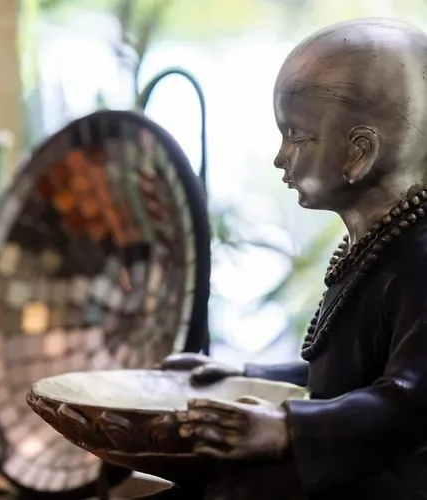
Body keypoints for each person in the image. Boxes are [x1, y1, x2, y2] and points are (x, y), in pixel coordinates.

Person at [150, 18, 427, 500]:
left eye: (297, 137)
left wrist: (287, 428)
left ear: (359, 153)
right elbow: (342, 382)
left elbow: (411, 401)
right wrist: (244, 376)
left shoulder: (417, 258)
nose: (280, 157)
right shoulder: (374, 245)